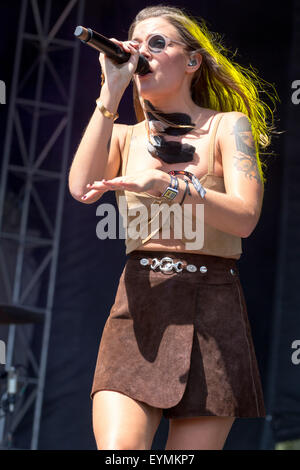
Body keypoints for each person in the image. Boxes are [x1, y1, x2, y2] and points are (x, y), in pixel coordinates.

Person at [68, 5, 277, 450]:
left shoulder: (226, 127)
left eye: (157, 43)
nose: (141, 51)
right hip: (139, 303)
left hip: (213, 304)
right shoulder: (124, 135)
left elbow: (245, 217)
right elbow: (82, 187)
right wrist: (111, 92)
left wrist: (170, 187)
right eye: (135, 43)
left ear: (192, 60)